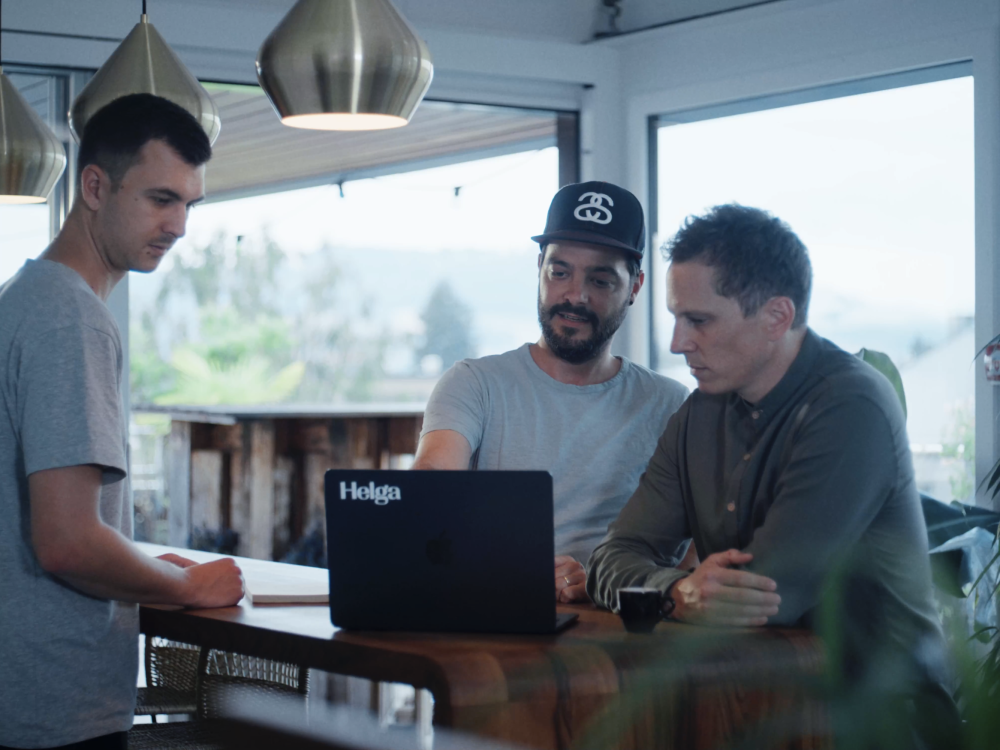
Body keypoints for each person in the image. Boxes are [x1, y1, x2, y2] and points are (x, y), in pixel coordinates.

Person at [587, 204, 950, 693]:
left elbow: (766, 599)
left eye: (699, 320)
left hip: (876, 723)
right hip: (754, 699)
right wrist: (677, 589)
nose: (677, 344)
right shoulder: (699, 411)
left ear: (777, 316)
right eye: (676, 318)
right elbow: (612, 557)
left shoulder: (851, 405)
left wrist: (671, 591)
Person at [0, 94, 245, 750]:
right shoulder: (69, 317)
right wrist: (188, 584)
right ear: (95, 187)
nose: (179, 224)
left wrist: (139, 566)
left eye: (190, 204)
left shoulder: (22, 300)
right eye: (160, 198)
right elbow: (67, 541)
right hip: (54, 711)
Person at [412, 181, 689, 602]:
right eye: (560, 272)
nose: (575, 296)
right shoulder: (474, 383)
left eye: (600, 280)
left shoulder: (671, 404)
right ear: (540, 266)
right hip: (490, 611)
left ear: (634, 287)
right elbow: (428, 489)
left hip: (620, 631)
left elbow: (693, 543)